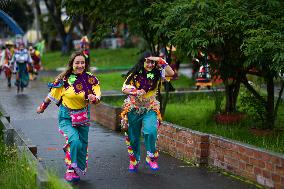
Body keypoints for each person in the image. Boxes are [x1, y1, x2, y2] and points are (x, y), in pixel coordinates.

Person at [36, 51, 101, 182]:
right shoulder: (64, 80)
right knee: (75, 141)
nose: (80, 65)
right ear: (72, 64)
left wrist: (94, 98)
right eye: (77, 62)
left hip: (83, 116)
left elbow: (98, 95)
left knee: (81, 144)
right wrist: (42, 107)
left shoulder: (91, 79)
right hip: (66, 117)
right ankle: (70, 169)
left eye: (82, 62)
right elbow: (51, 96)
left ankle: (73, 157)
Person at [120, 51, 174, 172]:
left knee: (150, 131)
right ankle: (134, 161)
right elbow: (124, 88)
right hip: (133, 108)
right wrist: (135, 92)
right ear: (142, 61)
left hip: (150, 108)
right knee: (133, 137)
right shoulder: (135, 73)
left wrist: (160, 60)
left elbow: (171, 73)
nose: (150, 65)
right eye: (147, 61)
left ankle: (151, 157)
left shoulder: (159, 73)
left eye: (152, 62)